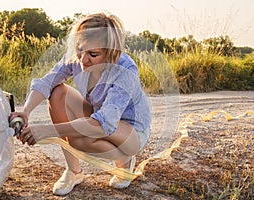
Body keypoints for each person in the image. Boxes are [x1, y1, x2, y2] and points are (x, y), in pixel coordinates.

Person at [10, 12, 151, 196]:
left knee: (81, 139)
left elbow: (103, 124)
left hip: (131, 130)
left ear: (111, 54)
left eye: (93, 54)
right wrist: (26, 111)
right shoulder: (78, 56)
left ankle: (124, 159)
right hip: (100, 116)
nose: (83, 59)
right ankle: (74, 171)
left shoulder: (125, 70)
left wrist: (48, 131)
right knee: (57, 93)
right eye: (80, 49)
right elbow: (47, 82)